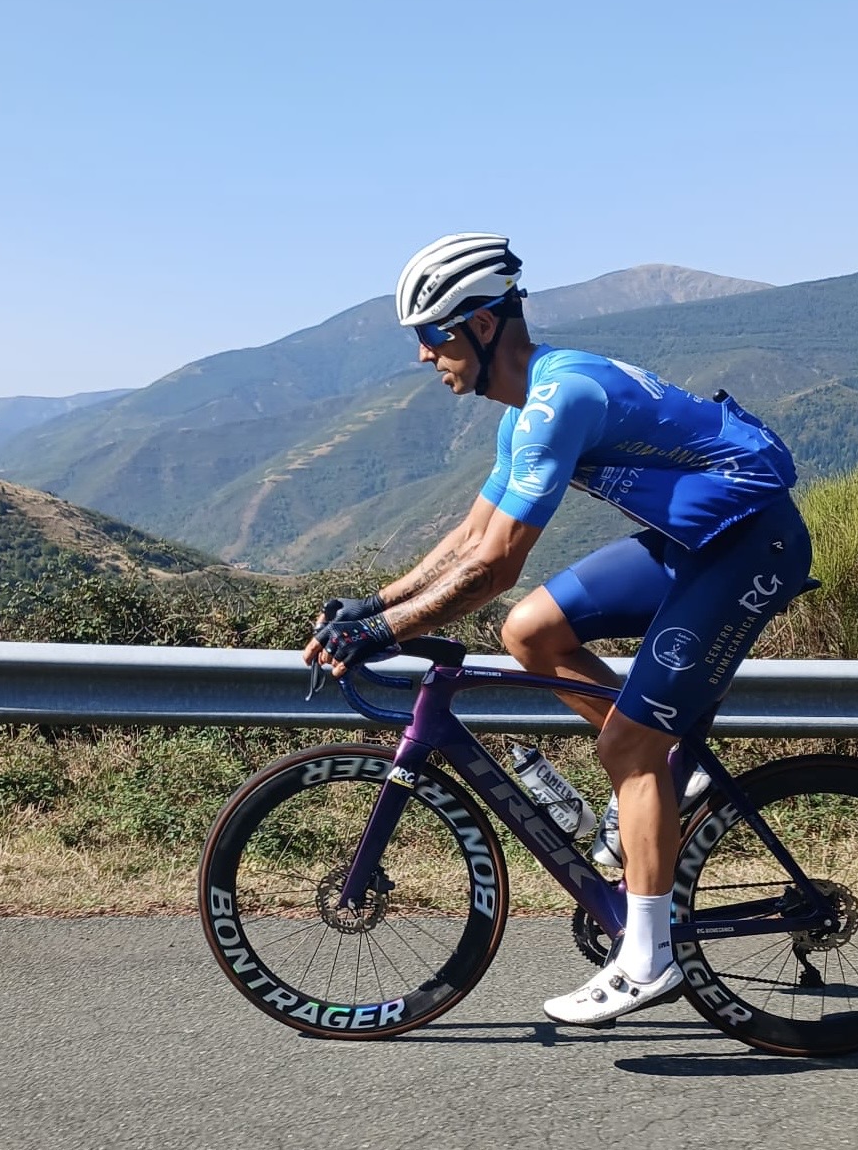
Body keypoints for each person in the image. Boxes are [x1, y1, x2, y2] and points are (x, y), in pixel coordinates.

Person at [305, 232, 812, 1026]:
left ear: (481, 325)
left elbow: (494, 565)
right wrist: (372, 607)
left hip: (751, 546)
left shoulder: (559, 399)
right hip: (699, 542)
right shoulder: (526, 409)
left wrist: (385, 633)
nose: (423, 353)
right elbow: (469, 537)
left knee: (627, 749)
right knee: (531, 630)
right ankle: (666, 767)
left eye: (432, 333)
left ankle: (649, 955)